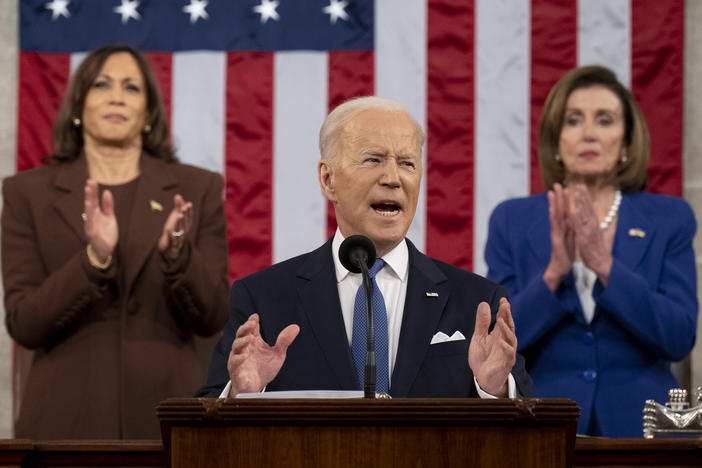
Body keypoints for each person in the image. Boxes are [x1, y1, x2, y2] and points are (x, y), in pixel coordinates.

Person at [197, 97, 532, 399]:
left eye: (407, 163)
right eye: (373, 160)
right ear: (328, 180)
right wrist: (242, 394)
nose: (393, 178)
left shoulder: (477, 302)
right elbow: (209, 416)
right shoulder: (264, 299)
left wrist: (495, 390)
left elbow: (530, 428)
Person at [2, 45, 229, 439]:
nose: (117, 96)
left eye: (132, 87)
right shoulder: (28, 194)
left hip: (172, 423)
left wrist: (178, 256)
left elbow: (214, 316)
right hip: (64, 425)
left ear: (149, 112)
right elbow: (24, 323)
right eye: (101, 84)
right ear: (78, 105)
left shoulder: (196, 189)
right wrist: (93, 260)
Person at [485, 65, 697, 437]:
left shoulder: (669, 217)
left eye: (604, 120)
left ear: (627, 142)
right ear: (556, 141)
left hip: (643, 430)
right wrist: (553, 274)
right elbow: (494, 342)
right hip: (541, 426)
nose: (588, 134)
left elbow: (678, 337)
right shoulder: (512, 220)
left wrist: (605, 265)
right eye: (573, 120)